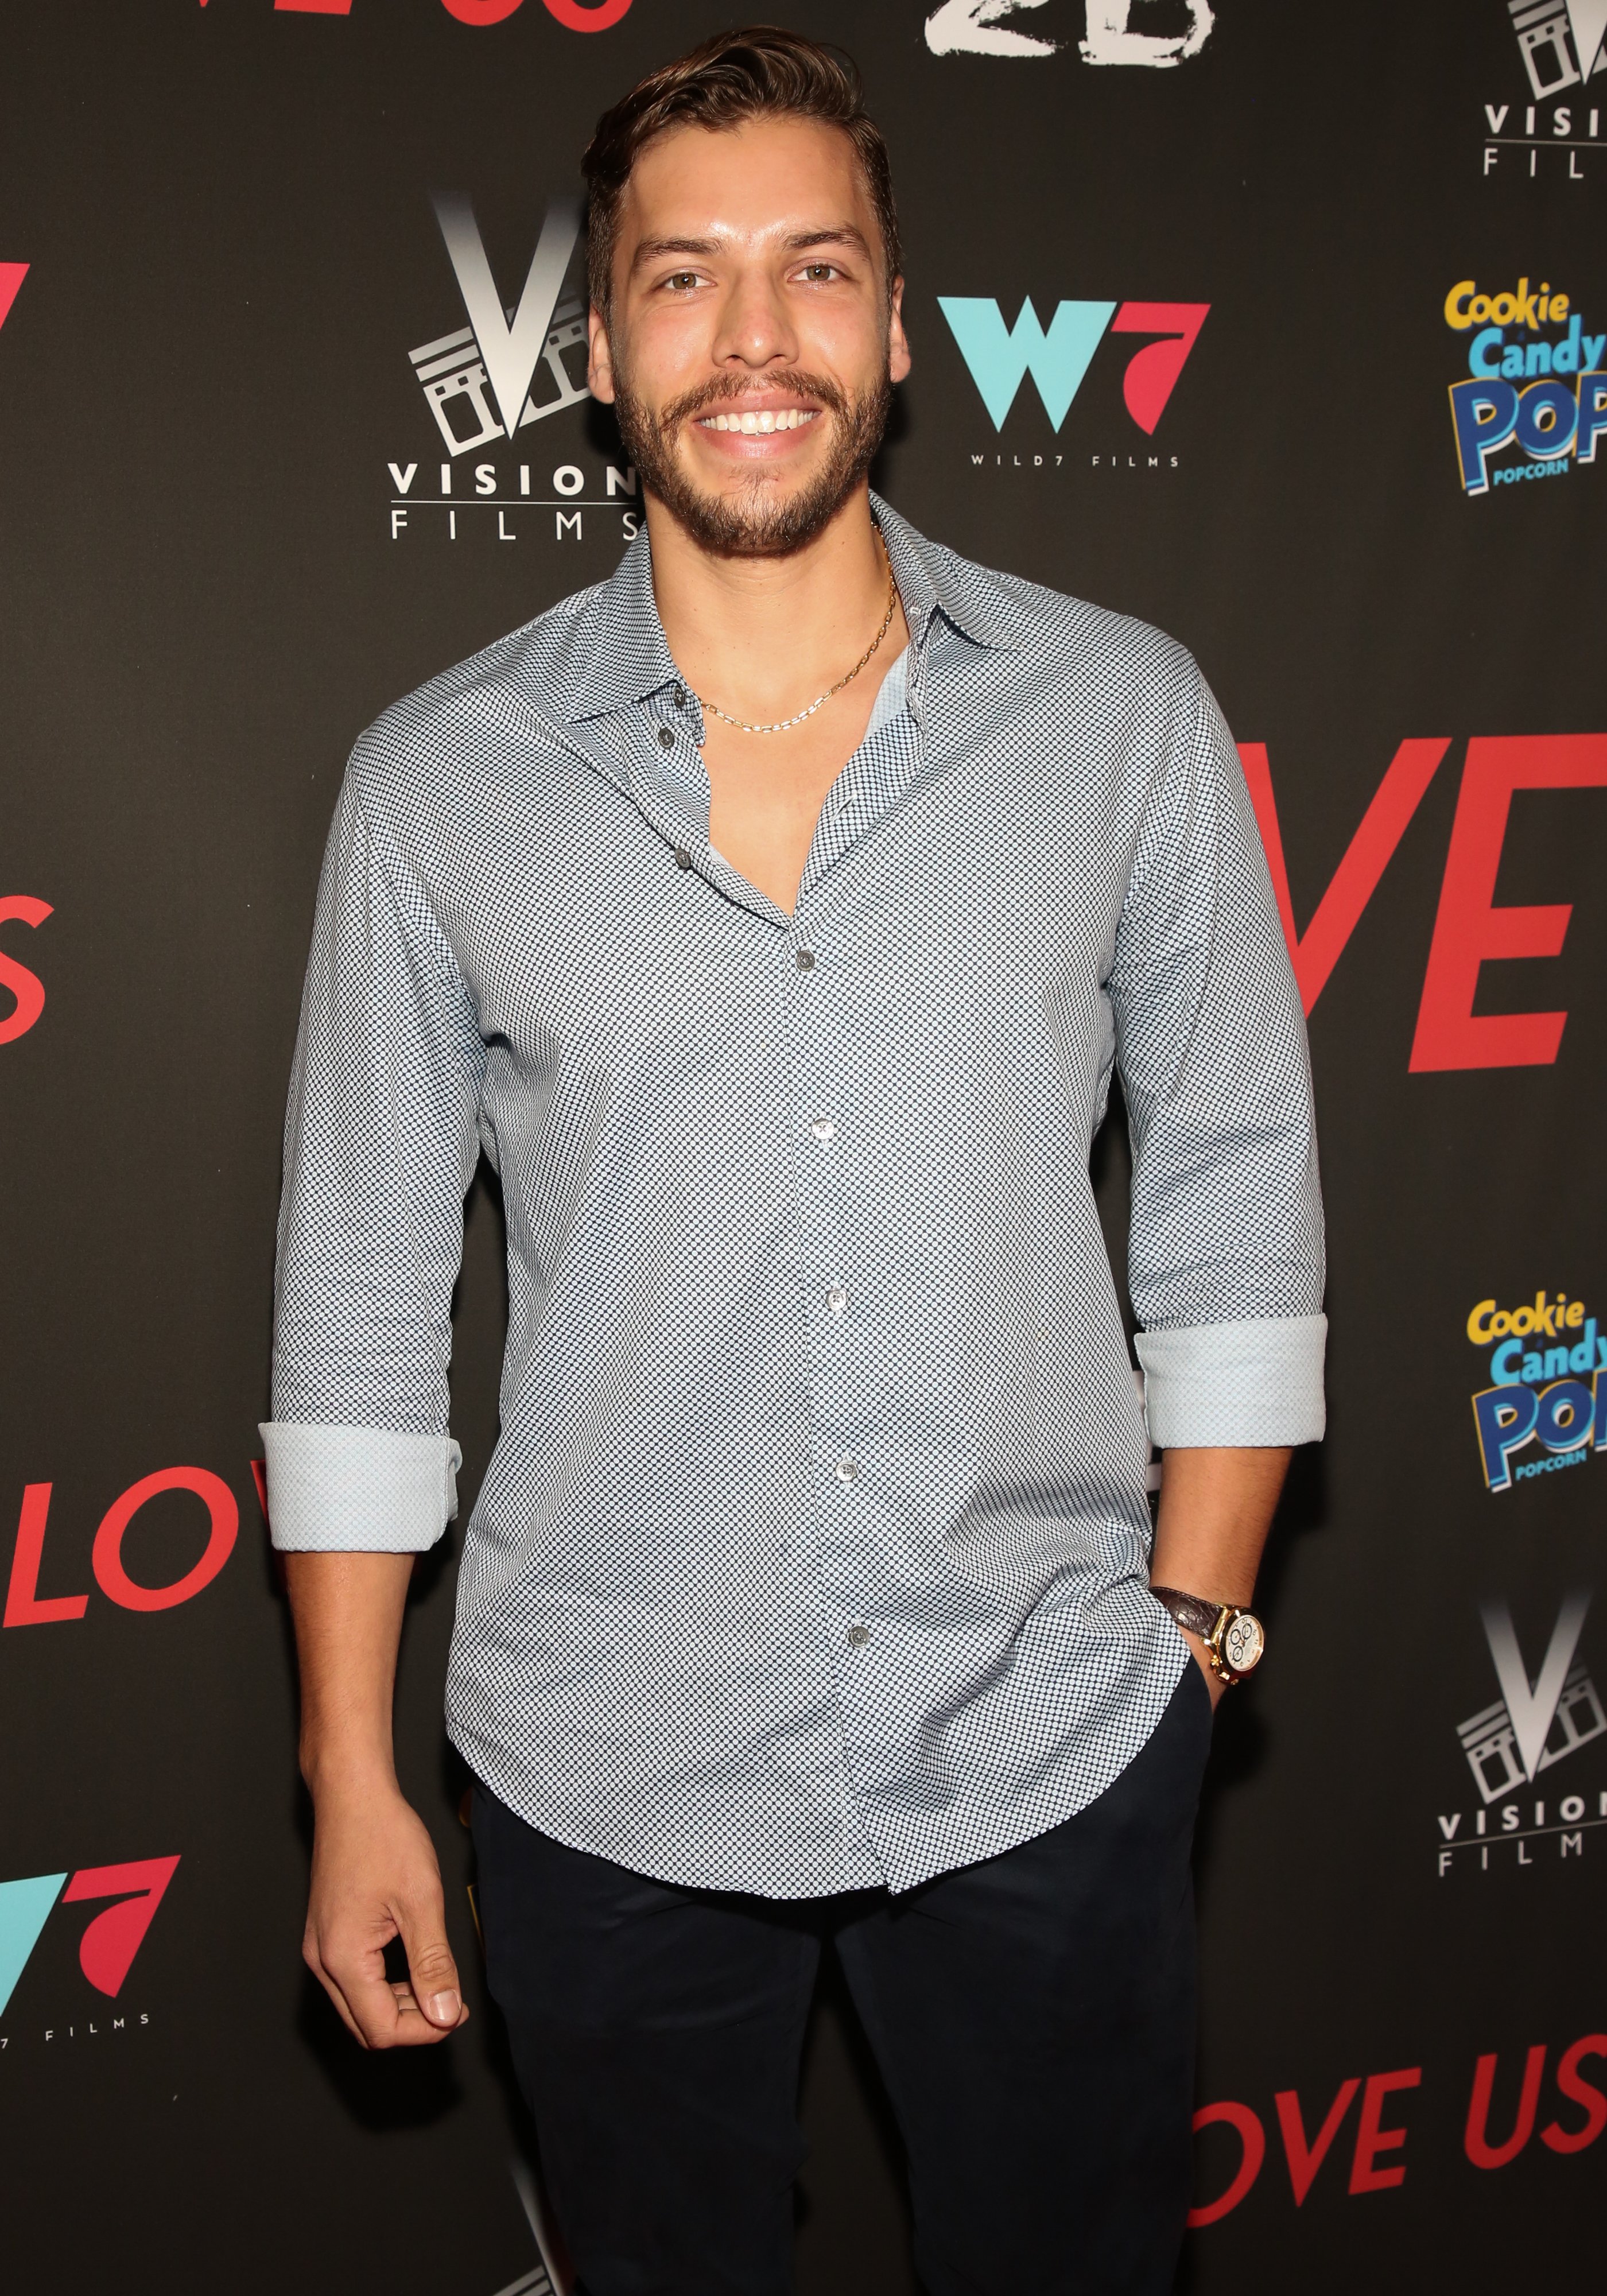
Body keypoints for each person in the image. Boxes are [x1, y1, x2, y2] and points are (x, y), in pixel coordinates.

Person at [263, 27, 1324, 2295]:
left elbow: (1233, 1195)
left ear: (898, 322)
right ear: (597, 344)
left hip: (1053, 1734)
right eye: (683, 279)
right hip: (598, 1763)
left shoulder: (1122, 712)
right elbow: (358, 1311)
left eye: (813, 268)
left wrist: (1186, 1643)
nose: (752, 338)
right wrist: (350, 1773)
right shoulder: (433, 779)